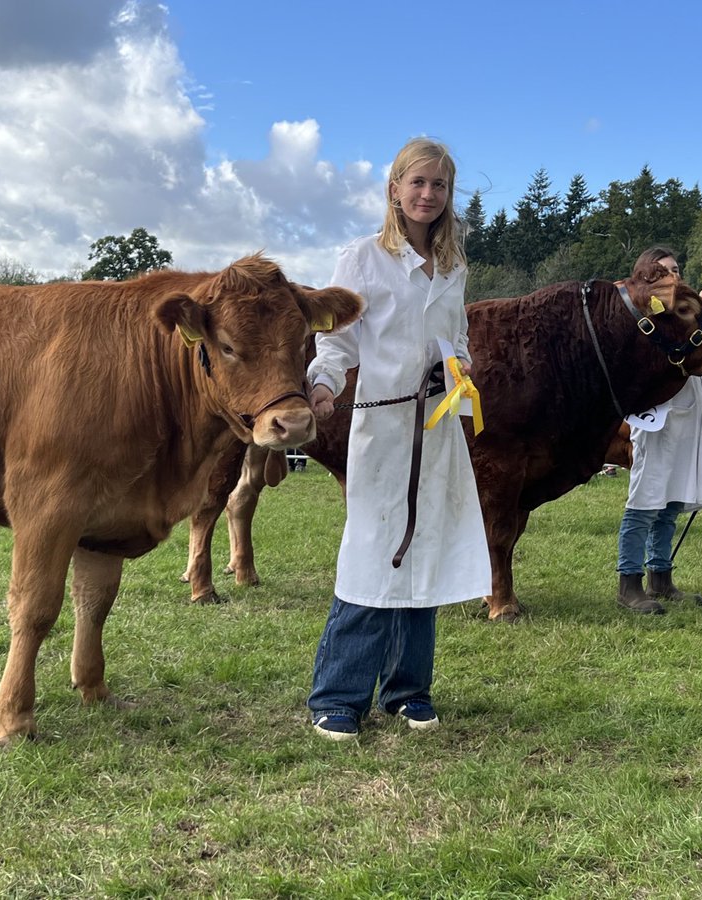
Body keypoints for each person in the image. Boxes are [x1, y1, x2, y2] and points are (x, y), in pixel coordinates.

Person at [305, 137, 491, 741]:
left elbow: (458, 342)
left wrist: (455, 371)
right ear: (394, 189)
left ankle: (408, 691)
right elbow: (335, 342)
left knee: (426, 550)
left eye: (439, 185)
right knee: (371, 552)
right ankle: (338, 696)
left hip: (436, 432)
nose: (427, 195)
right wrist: (325, 385)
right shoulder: (361, 259)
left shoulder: (455, 267)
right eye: (417, 183)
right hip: (383, 430)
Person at [615, 247, 702, 615]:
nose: (673, 277)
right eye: (663, 273)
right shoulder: (644, 325)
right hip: (658, 424)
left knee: (671, 504)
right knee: (644, 504)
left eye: (676, 271)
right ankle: (628, 583)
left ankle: (660, 577)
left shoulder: (692, 321)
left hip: (689, 420)